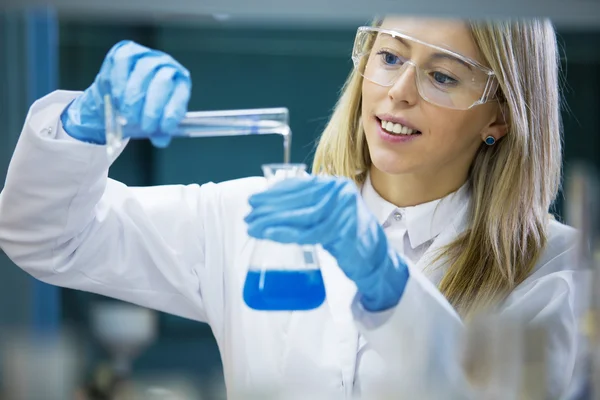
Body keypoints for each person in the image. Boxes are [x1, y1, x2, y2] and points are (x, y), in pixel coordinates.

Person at [0, 16, 580, 399]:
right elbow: (45, 237)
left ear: (500, 116)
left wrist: (389, 286)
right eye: (389, 57)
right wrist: (81, 127)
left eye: (444, 75)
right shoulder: (253, 217)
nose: (400, 91)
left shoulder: (559, 268)